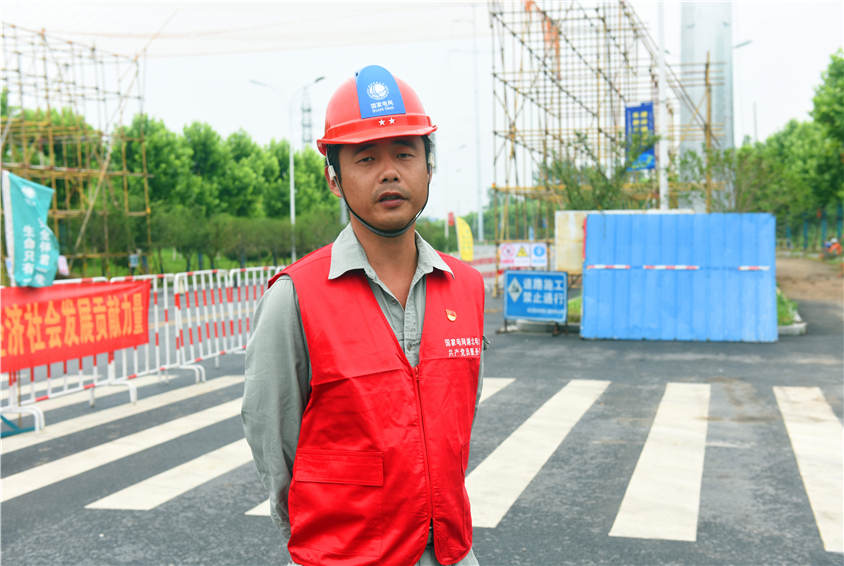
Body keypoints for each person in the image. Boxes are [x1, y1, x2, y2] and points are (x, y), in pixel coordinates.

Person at [242, 64, 485, 566]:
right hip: (343, 556)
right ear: (333, 177)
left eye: (405, 153)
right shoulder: (296, 296)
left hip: (450, 553)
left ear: (429, 167)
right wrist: (315, 531)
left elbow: (458, 420)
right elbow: (273, 434)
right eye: (366, 157)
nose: (389, 172)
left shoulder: (466, 288)